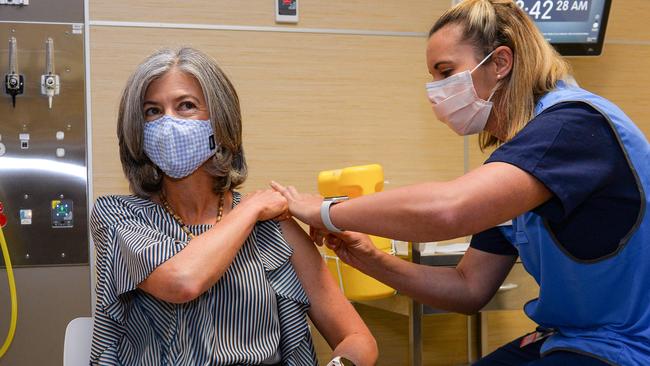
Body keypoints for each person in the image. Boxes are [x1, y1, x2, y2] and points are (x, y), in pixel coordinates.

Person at [271, 0, 650, 365]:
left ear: (500, 62)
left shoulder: (572, 127)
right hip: (572, 337)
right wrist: (370, 259)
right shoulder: (516, 162)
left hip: (630, 344)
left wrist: (327, 211)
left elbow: (449, 209)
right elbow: (469, 287)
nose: (435, 91)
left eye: (445, 71)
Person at [89, 47, 377, 366]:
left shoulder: (274, 226)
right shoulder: (119, 217)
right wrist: (250, 210)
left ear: (220, 122)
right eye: (153, 111)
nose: (168, 123)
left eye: (186, 106)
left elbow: (357, 339)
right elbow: (182, 280)